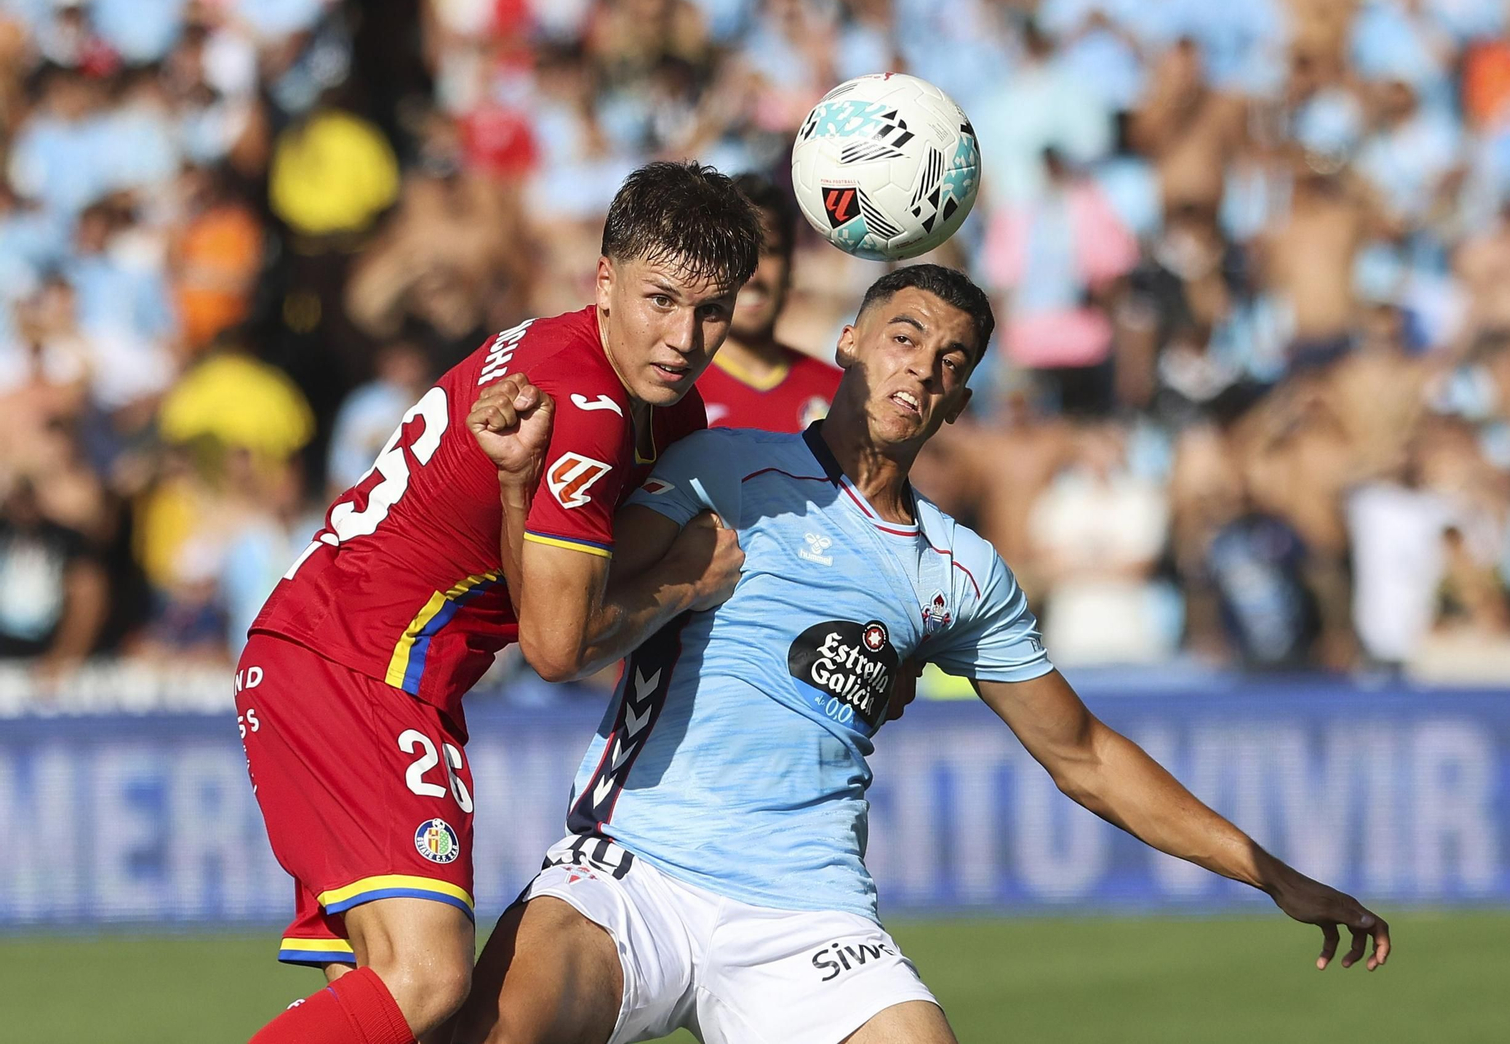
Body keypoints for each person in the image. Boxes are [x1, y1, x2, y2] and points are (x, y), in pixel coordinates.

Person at [455, 265, 1391, 1044]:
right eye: (904, 338)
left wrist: (1271, 872)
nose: (923, 371)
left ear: (963, 399)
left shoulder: (961, 573)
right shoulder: (722, 466)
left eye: (951, 361)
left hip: (806, 909)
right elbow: (569, 632)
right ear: (850, 342)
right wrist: (522, 491)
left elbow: (1086, 757)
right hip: (634, 867)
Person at [234, 160, 761, 1044]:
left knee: (413, 1023)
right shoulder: (586, 404)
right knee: (429, 980)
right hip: (358, 665)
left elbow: (568, 587)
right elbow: (556, 646)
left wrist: (523, 498)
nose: (683, 336)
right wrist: (689, 581)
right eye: (660, 300)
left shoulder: (648, 402)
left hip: (341, 653)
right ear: (604, 283)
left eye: (712, 311)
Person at [693, 172, 841, 432]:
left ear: (791, 266)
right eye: (736, 254)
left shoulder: (840, 396)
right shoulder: (670, 391)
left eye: (769, 252)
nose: (753, 277)